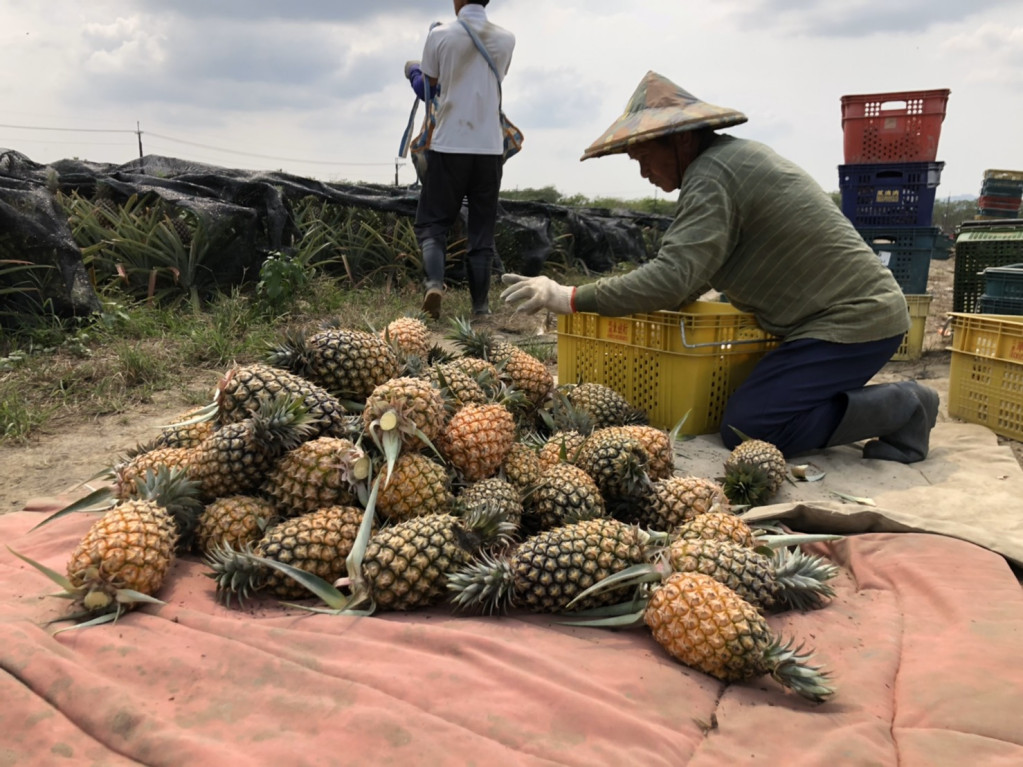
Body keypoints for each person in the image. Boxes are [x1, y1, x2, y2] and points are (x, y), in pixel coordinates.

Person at [501, 71, 939, 463]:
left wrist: (567, 296)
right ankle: (876, 406)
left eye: (645, 157)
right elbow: (693, 273)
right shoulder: (727, 163)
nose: (644, 173)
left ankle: (906, 405)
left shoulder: (712, 176)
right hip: (837, 321)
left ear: (683, 139)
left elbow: (673, 278)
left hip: (852, 323)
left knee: (751, 427)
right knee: (755, 407)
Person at [404, 0, 515, 319]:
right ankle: (480, 308)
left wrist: (412, 69)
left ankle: (435, 283)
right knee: (481, 230)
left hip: (449, 144)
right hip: (490, 147)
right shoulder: (507, 39)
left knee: (433, 223)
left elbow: (428, 89)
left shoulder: (439, 36)